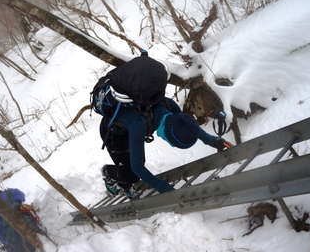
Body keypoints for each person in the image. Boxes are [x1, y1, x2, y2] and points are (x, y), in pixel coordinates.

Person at [99, 58, 232, 199]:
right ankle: (109, 175)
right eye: (172, 144)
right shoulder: (139, 124)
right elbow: (138, 168)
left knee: (135, 163)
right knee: (131, 172)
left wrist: (213, 141)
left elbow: (187, 122)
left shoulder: (169, 107)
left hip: (127, 127)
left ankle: (124, 182)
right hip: (113, 134)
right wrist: (168, 191)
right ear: (168, 136)